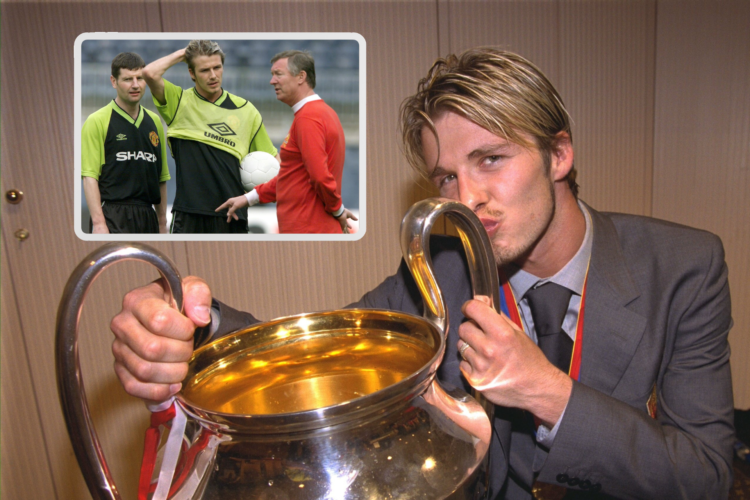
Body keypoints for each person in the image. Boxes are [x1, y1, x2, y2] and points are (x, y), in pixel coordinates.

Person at [110, 48, 734, 499]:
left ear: (560, 154)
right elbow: (328, 359)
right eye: (446, 178)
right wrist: (195, 323)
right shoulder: (443, 267)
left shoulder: (684, 267)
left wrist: (548, 391)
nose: (467, 199)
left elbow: (707, 474)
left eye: (491, 159)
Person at [142, 40, 278, 233]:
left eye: (217, 67)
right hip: (188, 215)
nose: (213, 75)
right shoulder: (178, 102)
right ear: (191, 73)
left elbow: (274, 162)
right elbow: (149, 73)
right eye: (205, 70)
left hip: (232, 216)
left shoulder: (246, 111)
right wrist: (185, 53)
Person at [216, 50, 357, 234]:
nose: (272, 81)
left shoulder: (309, 118)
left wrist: (337, 209)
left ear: (301, 77)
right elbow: (291, 178)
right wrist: (248, 198)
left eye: (278, 74)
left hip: (307, 230)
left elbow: (319, 176)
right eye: (272, 75)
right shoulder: (318, 114)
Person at [81, 52, 170, 234]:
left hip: (147, 216)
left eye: (140, 78)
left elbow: (160, 178)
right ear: (114, 82)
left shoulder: (155, 122)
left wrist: (162, 223)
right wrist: (99, 223)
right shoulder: (97, 120)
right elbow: (90, 177)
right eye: (128, 79)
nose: (135, 85)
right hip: (113, 214)